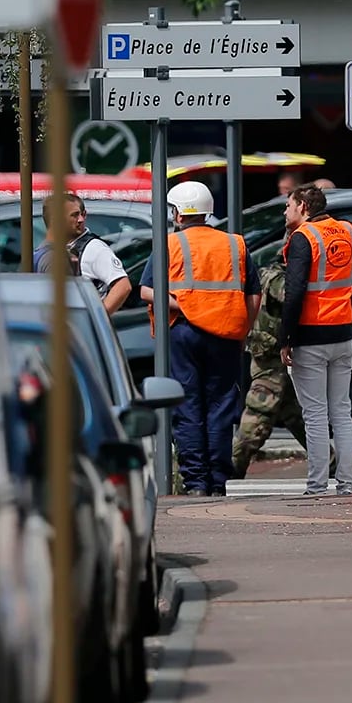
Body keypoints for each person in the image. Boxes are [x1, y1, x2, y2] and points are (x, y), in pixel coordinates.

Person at [139, 180, 259, 497]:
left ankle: (195, 483)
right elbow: (254, 295)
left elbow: (146, 291)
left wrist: (185, 305)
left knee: (188, 406)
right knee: (221, 406)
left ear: (178, 213)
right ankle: (218, 482)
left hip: (183, 332)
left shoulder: (169, 245)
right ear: (207, 213)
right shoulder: (236, 244)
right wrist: (243, 329)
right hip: (225, 334)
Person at [279, 183, 352, 496]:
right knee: (341, 410)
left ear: (302, 206)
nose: (285, 212)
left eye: (288, 206)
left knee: (314, 414)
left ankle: (317, 484)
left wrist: (285, 337)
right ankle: (347, 483)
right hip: (343, 331)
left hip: (312, 335)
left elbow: (295, 291)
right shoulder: (344, 231)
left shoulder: (303, 238)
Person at [232, 256, 309, 477]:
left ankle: (330, 459)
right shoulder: (278, 279)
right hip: (272, 358)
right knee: (258, 415)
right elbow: (292, 296)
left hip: (266, 353)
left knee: (294, 415)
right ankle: (232, 467)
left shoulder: (266, 272)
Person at [33, 192, 132, 313]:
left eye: (82, 214)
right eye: (74, 215)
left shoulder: (94, 248)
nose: (81, 219)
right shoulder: (52, 250)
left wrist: (97, 321)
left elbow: (123, 286)